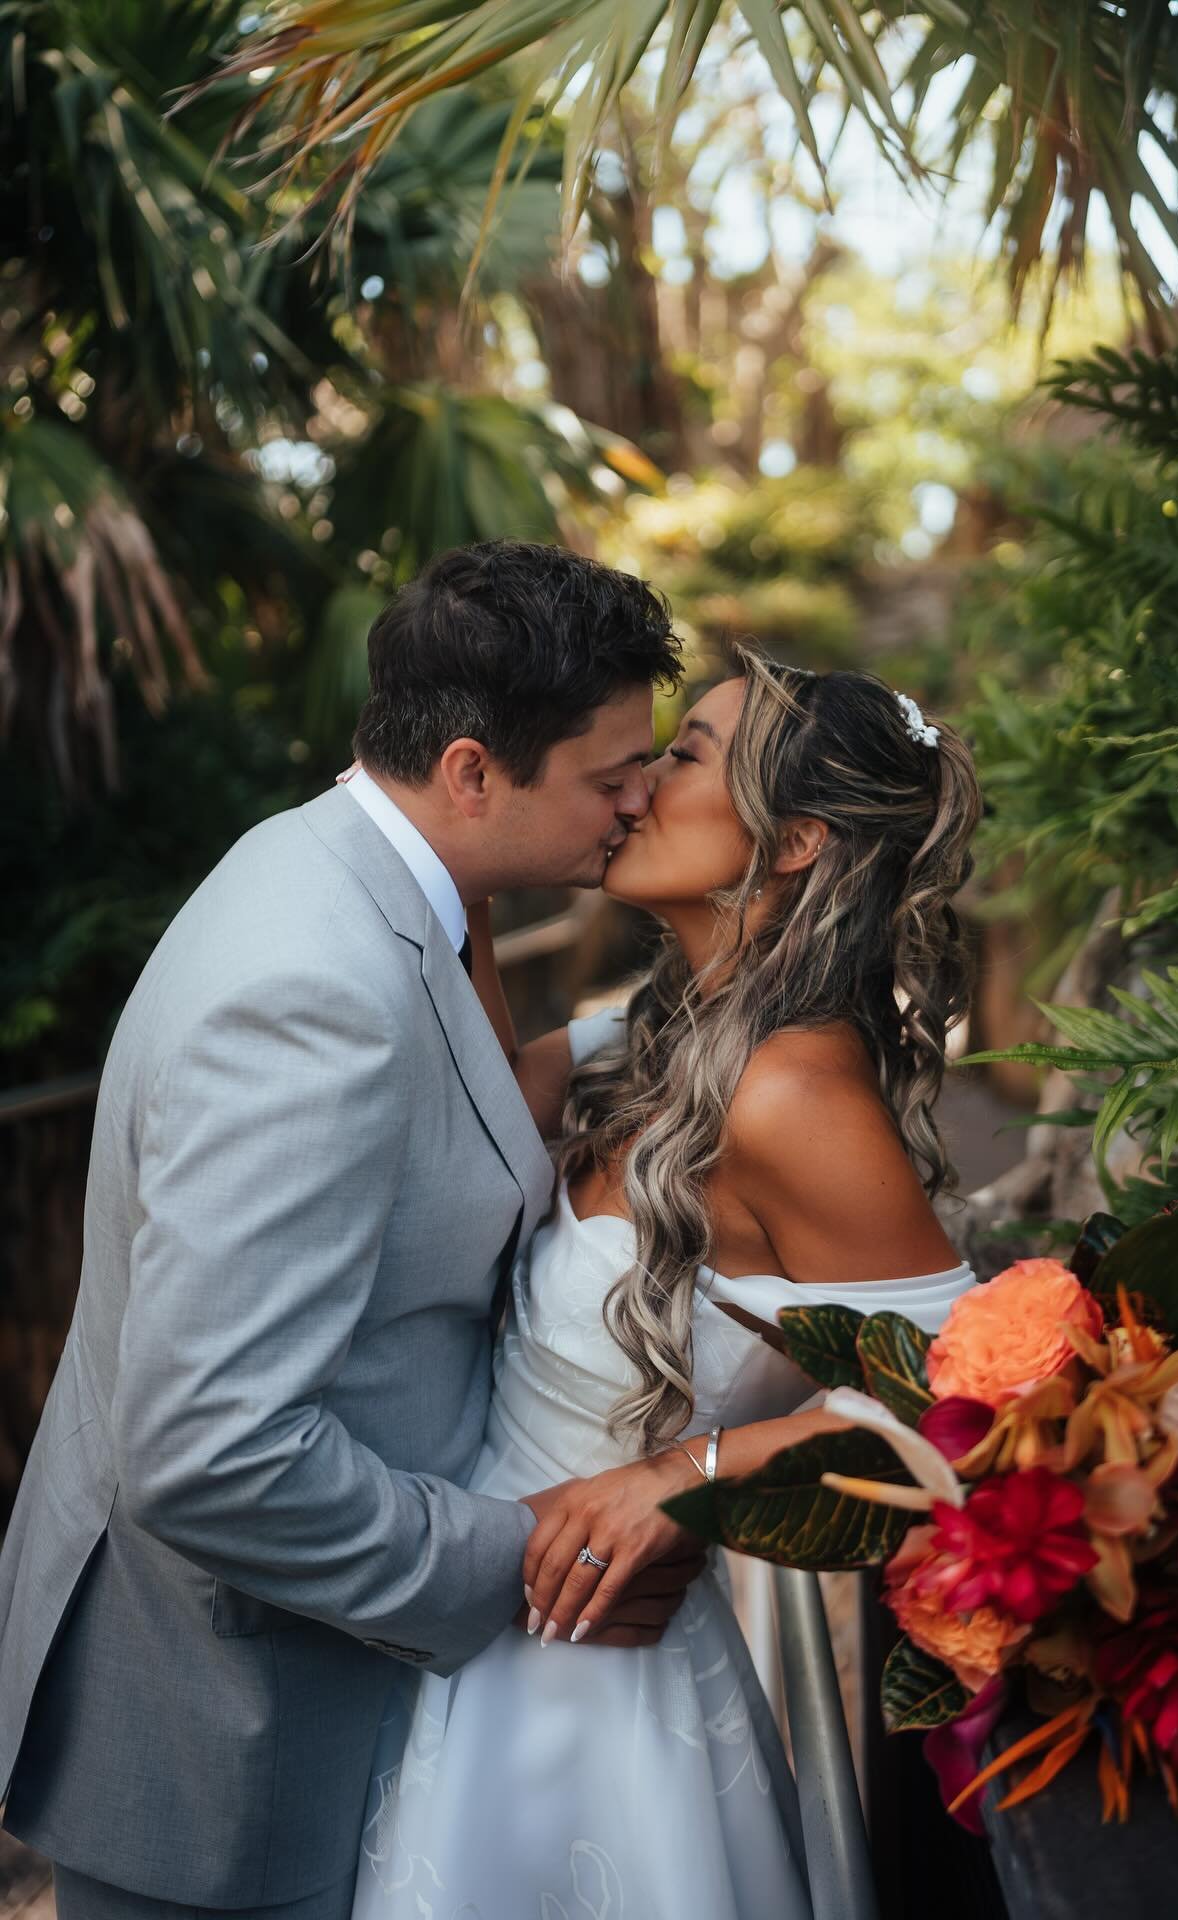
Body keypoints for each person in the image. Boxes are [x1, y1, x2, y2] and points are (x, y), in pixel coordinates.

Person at [0, 541, 698, 1920]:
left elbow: (459, 1119)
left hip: (292, 1692)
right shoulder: (312, 992)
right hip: (229, 1739)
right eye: (612, 775)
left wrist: (712, 1024)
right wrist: (522, 1555)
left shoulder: (350, 870)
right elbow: (211, 1451)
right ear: (471, 771)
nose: (641, 801)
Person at [351, 649, 984, 1920]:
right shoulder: (640, 1038)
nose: (635, 786)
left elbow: (974, 1413)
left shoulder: (796, 1099)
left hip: (600, 1681)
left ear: (792, 842)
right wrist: (478, 852)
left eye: (682, 756)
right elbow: (467, 1110)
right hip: (475, 1623)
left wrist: (684, 1482)